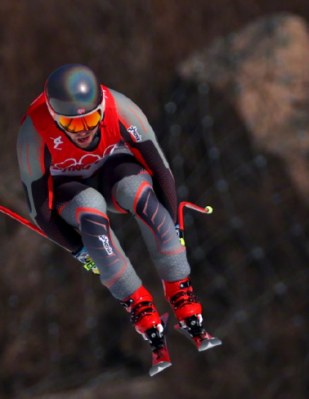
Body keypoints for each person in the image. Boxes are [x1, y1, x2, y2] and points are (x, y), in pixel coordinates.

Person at [16, 64, 220, 374]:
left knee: (145, 200)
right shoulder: (34, 132)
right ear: (56, 119)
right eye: (73, 124)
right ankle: (139, 306)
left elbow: (161, 171)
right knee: (90, 214)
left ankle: (181, 292)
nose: (84, 130)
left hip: (115, 170)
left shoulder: (121, 109)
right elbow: (40, 210)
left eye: (92, 118)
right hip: (68, 187)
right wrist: (77, 249)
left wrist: (173, 226)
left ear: (101, 108)